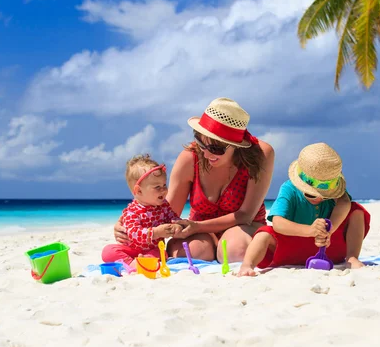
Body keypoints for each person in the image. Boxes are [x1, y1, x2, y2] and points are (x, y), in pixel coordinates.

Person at [113, 97, 274, 262]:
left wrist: (197, 226)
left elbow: (245, 215)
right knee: (189, 252)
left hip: (244, 227)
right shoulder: (190, 157)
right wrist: (127, 222)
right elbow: (162, 209)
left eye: (215, 148)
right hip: (199, 231)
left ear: (236, 144)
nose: (206, 153)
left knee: (235, 250)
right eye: (201, 143)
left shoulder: (262, 154)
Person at [237, 143, 371, 277]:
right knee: (263, 233)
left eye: (326, 195)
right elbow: (278, 222)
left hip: (327, 246)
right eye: (312, 194)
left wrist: (329, 230)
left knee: (356, 211)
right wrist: (310, 231)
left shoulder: (334, 188)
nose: (319, 198)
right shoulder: (289, 189)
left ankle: (352, 257)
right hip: (292, 246)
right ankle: (247, 265)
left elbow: (344, 202)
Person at [102, 155, 183, 266]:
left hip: (153, 250)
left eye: (164, 185)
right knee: (108, 251)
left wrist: (177, 224)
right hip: (131, 250)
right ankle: (131, 263)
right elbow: (134, 233)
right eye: (157, 187)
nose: (163, 189)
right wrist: (156, 232)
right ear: (139, 191)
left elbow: (172, 217)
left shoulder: (164, 206)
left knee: (162, 253)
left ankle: (144, 261)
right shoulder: (131, 211)